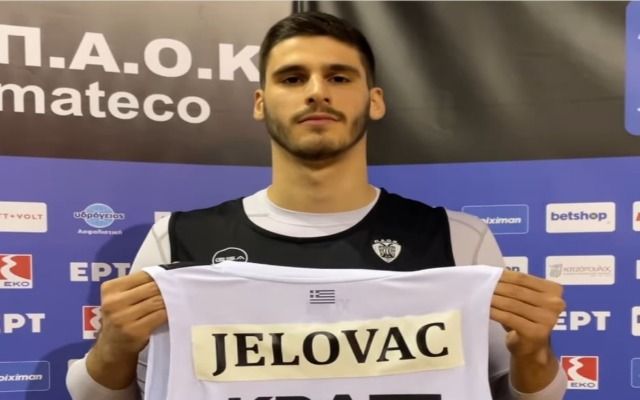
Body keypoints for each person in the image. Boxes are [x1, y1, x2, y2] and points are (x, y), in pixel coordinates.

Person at [67, 11, 567, 400]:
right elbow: (128, 393)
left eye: (339, 77)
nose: (316, 93)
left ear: (374, 100)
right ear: (260, 102)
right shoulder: (179, 243)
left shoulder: (459, 240)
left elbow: (512, 392)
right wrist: (113, 348)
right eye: (292, 78)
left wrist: (535, 351)